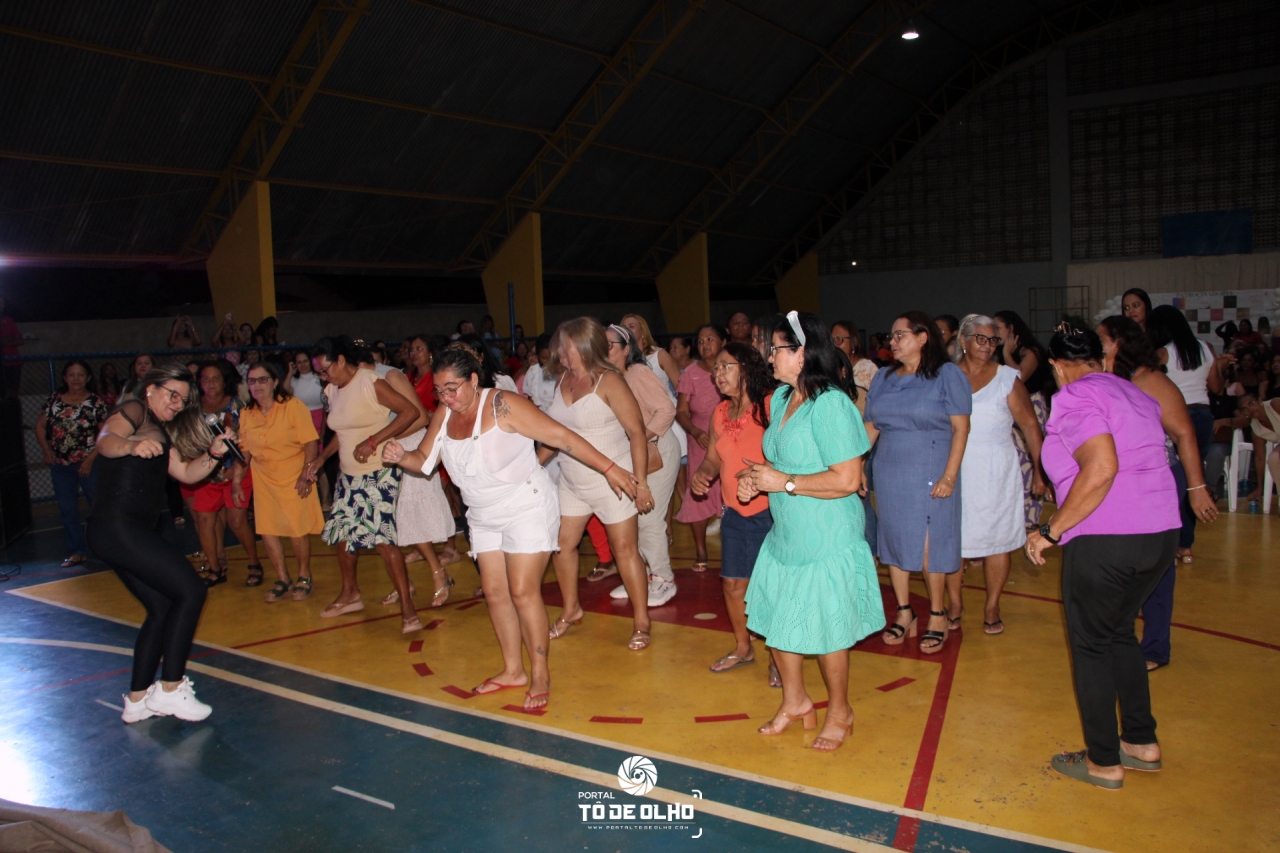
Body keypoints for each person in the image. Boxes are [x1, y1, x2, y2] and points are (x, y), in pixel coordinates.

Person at [385, 347, 636, 710]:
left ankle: (540, 674)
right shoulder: (444, 413)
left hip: (526, 507)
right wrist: (400, 456)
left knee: (522, 591)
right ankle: (513, 670)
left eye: (452, 388)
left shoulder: (504, 405)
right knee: (494, 592)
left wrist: (610, 469)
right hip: (482, 514)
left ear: (473, 379)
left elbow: (562, 437)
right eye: (439, 391)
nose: (446, 397)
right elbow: (423, 461)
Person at [1026, 324, 1179, 790]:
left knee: (1091, 645)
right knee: (1118, 633)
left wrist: (1051, 530)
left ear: (1056, 366)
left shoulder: (1074, 396)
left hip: (1108, 536)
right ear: (1102, 358)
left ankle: (1103, 761)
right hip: (1160, 533)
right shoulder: (1135, 394)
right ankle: (1141, 741)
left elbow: (1102, 467)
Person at [737, 312, 882, 751]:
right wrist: (757, 478)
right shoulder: (782, 397)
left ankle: (840, 711)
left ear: (802, 354)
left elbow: (846, 479)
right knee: (780, 620)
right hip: (788, 532)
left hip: (827, 533)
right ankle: (796, 700)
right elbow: (780, 460)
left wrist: (783, 483)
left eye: (776, 349)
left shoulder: (831, 404)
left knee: (827, 629)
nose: (769, 357)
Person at [88, 364, 240, 723]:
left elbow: (186, 473)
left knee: (162, 607)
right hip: (119, 528)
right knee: (192, 591)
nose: (177, 404)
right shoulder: (135, 411)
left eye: (183, 400)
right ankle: (170, 689)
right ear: (151, 389)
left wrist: (215, 453)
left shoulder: (161, 432)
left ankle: (137, 700)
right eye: (172, 395)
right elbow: (106, 440)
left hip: (116, 534)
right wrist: (131, 444)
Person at [1098, 316, 1217, 670]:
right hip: (1123, 481)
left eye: (1102, 341)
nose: (1097, 347)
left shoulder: (1151, 380)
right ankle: (1118, 638)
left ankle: (1154, 647)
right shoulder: (1110, 379)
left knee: (1156, 566)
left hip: (1159, 481)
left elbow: (1184, 435)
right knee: (1120, 560)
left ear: (1120, 343)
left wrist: (1197, 489)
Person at [864, 311, 971, 654]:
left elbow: (961, 428)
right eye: (891, 336)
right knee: (894, 543)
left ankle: (937, 614)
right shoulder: (884, 377)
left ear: (923, 338)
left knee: (929, 547)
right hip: (890, 472)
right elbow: (871, 428)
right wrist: (856, 466)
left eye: (900, 335)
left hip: (932, 471)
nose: (892, 342)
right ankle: (904, 612)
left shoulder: (947, 375)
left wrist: (949, 476)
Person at [545, 318, 654, 649]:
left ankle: (641, 620)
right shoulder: (563, 379)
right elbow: (555, 433)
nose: (561, 352)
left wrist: (642, 483)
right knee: (562, 545)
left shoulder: (610, 381)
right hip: (572, 480)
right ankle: (571, 609)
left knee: (624, 550)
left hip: (613, 482)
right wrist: (533, 465)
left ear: (584, 346)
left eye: (567, 346)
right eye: (560, 345)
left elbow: (636, 433)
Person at [303, 336, 423, 631]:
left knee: (382, 540)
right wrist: (321, 459)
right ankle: (350, 594)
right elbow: (341, 431)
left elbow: (410, 412)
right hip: (348, 475)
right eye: (319, 372)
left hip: (378, 473)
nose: (323, 376)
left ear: (341, 360)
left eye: (325, 369)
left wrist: (373, 441)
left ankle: (408, 607)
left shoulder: (370, 382)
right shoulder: (332, 390)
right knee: (343, 535)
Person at [955, 315, 1044, 635]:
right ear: (963, 341)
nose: (987, 345)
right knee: (953, 540)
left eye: (993, 340)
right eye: (980, 339)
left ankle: (992, 605)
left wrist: (1040, 471)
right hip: (955, 468)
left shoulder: (1008, 378)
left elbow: (1030, 426)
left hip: (996, 470)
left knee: (997, 541)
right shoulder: (947, 376)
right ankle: (954, 603)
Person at [690, 342, 776, 672]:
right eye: (716, 368)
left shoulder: (771, 404)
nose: (718, 373)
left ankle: (780, 657)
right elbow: (713, 458)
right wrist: (703, 474)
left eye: (726, 366)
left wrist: (761, 472)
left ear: (747, 368)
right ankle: (744, 648)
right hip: (734, 512)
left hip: (771, 513)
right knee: (733, 584)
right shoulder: (720, 412)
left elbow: (787, 452)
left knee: (772, 587)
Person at [236, 362, 324, 602]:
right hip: (264, 478)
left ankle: (304, 576)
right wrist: (236, 482)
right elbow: (244, 452)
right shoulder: (246, 413)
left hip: (294, 474)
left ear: (275, 382)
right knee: (268, 529)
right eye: (252, 381)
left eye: (262, 380)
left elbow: (310, 441)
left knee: (296, 528)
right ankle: (283, 578)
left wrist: (306, 473)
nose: (257, 385)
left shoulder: (293, 407)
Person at [605, 324, 680, 607]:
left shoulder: (637, 373)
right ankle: (643, 577)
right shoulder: (610, 377)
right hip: (635, 453)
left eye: (610, 344)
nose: (603, 349)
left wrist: (639, 437)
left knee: (647, 516)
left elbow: (667, 410)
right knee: (633, 519)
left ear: (627, 349)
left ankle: (663, 578)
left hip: (656, 449)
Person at [1146, 305, 1228, 560]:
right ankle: (1186, 545)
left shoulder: (1162, 353)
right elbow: (1217, 387)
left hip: (1175, 418)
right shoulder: (1205, 348)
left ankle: (1169, 543)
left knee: (1173, 480)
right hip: (1203, 417)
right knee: (1194, 480)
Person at [396, 333, 461, 604]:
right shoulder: (408, 377)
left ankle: (450, 544)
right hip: (416, 438)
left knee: (446, 491)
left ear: (431, 352)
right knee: (421, 501)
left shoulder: (435, 377)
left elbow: (437, 409)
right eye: (411, 349)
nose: (414, 353)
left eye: (419, 348)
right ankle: (426, 545)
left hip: (435, 434)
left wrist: (429, 419)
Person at [184, 360, 261, 587]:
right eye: (205, 379)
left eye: (215, 378)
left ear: (224, 380)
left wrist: (235, 469)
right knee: (204, 520)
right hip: (206, 473)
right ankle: (215, 568)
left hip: (236, 469)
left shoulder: (237, 405)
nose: (210, 383)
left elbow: (246, 442)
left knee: (237, 521)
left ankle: (254, 562)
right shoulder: (194, 408)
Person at [35, 360, 109, 568]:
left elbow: (106, 433)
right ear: (65, 378)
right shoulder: (54, 400)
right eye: (71, 374)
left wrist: (90, 459)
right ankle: (77, 551)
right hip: (60, 465)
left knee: (97, 507)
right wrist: (46, 449)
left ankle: (105, 549)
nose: (76, 379)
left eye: (80, 374)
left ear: (88, 377)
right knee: (67, 509)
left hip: (89, 464)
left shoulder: (96, 402)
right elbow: (40, 426)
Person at [994, 310, 1054, 529]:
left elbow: (1018, 377)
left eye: (998, 327)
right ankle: (1016, 517)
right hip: (1010, 409)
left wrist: (1007, 354)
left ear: (1011, 329)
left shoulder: (1032, 351)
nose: (994, 332)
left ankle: (1031, 518)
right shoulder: (995, 354)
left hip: (1032, 407)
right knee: (1016, 463)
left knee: (1029, 462)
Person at [675, 324, 726, 570]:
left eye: (710, 339)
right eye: (701, 340)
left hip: (730, 437)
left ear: (723, 342)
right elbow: (681, 412)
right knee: (699, 491)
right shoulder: (690, 373)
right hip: (700, 441)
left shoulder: (732, 369)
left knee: (731, 490)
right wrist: (695, 432)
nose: (705, 344)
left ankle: (733, 548)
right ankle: (701, 551)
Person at [620, 314, 680, 391]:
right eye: (624, 327)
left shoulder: (659, 355)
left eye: (631, 326)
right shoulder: (621, 359)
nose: (626, 330)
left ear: (642, 331)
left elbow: (681, 388)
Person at [0, 297, 22, 397]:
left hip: (13, 362)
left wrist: (4, 342)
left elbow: (20, 340)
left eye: (2, 303)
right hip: (2, 363)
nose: (1, 306)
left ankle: (13, 406)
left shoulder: (8, 320)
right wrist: (11, 338)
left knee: (13, 392)